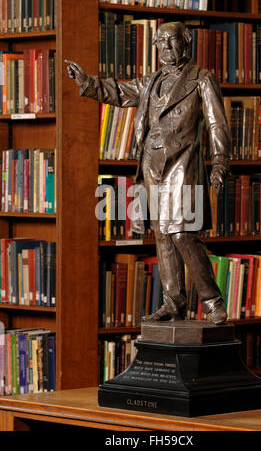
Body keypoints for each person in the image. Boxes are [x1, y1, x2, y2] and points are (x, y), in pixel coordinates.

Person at [66, 21, 230, 325]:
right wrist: (88, 82)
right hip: (152, 166)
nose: (166, 48)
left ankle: (212, 301)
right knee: (163, 235)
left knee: (183, 233)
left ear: (186, 42)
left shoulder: (202, 79)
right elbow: (118, 90)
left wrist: (220, 162)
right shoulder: (151, 82)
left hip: (183, 164)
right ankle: (173, 302)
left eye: (172, 41)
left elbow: (216, 124)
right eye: (160, 42)